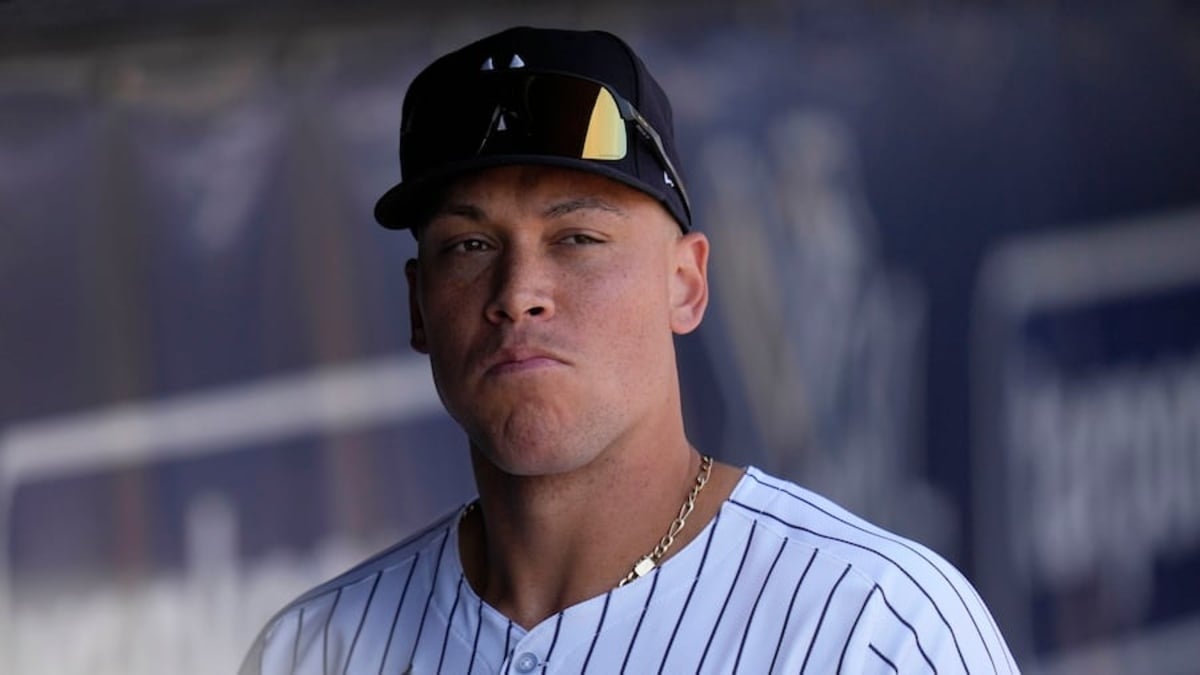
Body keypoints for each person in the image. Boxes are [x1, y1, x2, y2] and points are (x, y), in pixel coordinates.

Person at [240, 26, 1017, 674]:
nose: (519, 290)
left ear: (686, 283)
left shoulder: (874, 628)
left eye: (577, 237)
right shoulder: (314, 650)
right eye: (470, 244)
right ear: (419, 305)